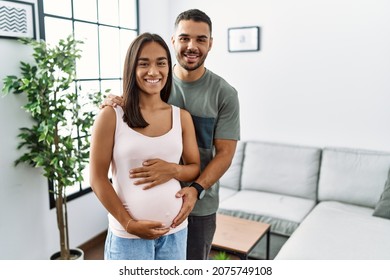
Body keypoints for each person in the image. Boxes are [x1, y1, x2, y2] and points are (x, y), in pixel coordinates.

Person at [101, 9, 240, 260]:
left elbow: (226, 154)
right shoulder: (156, 81)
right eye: (185, 37)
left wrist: (195, 187)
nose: (192, 46)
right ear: (173, 41)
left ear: (210, 43)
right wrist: (120, 102)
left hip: (199, 204)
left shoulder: (224, 94)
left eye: (201, 39)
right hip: (134, 224)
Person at [89, 32, 200, 260]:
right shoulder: (111, 115)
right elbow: (97, 178)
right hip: (128, 239)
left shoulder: (182, 117)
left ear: (169, 68)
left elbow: (194, 167)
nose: (153, 71)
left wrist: (173, 170)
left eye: (161, 63)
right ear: (132, 68)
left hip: (175, 233)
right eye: (143, 64)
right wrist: (129, 224)